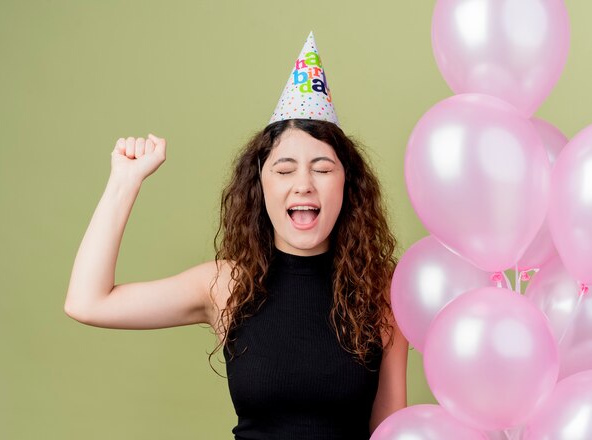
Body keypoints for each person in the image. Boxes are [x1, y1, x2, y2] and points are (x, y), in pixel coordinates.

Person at [65, 31, 408, 439]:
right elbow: (88, 302)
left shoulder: (382, 290)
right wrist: (125, 182)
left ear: (347, 185)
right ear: (259, 186)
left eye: (322, 168)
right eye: (283, 170)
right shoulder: (227, 285)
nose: (303, 184)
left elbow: (391, 428)